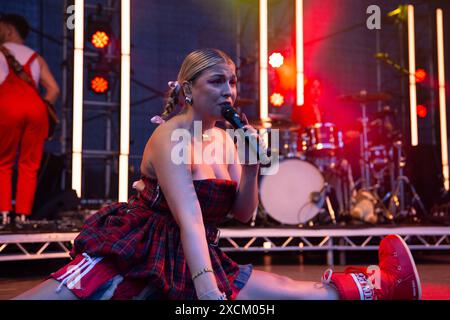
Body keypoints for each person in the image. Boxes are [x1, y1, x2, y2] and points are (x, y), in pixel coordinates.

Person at [14, 48, 421, 300]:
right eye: (217, 81)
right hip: (141, 248)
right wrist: (208, 293)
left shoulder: (227, 140)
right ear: (189, 89)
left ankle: (384, 286)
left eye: (232, 81)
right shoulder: (171, 134)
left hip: (196, 251)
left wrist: (251, 168)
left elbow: (243, 214)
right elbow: (189, 217)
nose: (228, 90)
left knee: (287, 290)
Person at [0, 14, 60, 224]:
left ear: (9, 29)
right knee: (29, 165)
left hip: (7, 106)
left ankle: (4, 214)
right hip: (36, 110)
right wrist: (41, 107)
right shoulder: (36, 57)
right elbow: (54, 89)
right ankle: (23, 215)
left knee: (3, 162)